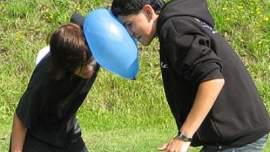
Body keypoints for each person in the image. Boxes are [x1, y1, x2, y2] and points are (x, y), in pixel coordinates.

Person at [111, 0, 270, 151]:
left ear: (148, 11)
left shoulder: (174, 28)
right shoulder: (177, 22)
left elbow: (212, 80)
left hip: (237, 136)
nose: (129, 33)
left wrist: (184, 137)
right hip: (233, 133)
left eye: (129, 24)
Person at [10, 14, 99, 152]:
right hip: (38, 137)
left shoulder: (95, 46)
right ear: (68, 65)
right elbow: (21, 117)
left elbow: (80, 18)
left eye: (91, 62)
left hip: (67, 131)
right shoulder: (45, 77)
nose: (90, 68)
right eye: (84, 66)